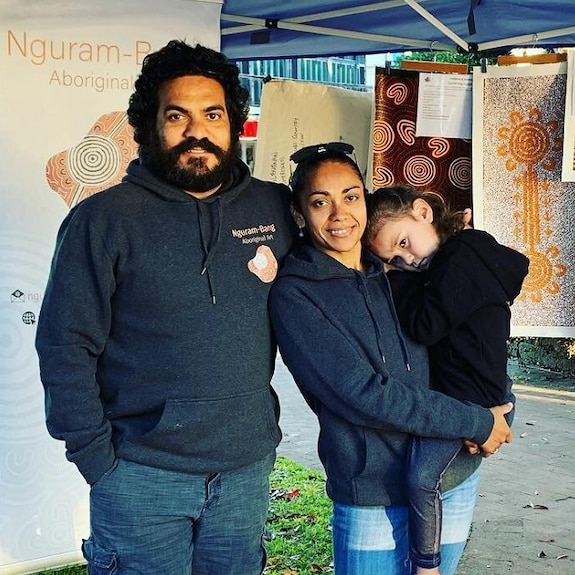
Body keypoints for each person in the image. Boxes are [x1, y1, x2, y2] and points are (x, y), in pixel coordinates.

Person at [35, 40, 295, 574]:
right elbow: (65, 344)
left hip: (245, 471)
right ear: (149, 125)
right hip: (139, 475)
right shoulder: (103, 220)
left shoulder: (274, 206)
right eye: (177, 115)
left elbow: (343, 269)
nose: (196, 131)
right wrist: (96, 458)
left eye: (212, 114)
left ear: (233, 123)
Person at [267, 142, 513, 575]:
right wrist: (477, 421)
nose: (340, 214)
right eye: (320, 202)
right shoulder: (297, 294)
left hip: (452, 474)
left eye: (351, 196)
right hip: (373, 491)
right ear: (300, 214)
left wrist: (500, 404)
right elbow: (363, 394)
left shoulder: (398, 271)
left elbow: (473, 337)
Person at [364, 185, 529, 575]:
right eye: (395, 259)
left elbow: (424, 325)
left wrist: (391, 279)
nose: (407, 259)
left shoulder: (462, 257)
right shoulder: (457, 263)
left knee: (421, 477)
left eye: (403, 243)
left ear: (423, 211)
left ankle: (427, 568)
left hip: (470, 403)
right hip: (476, 397)